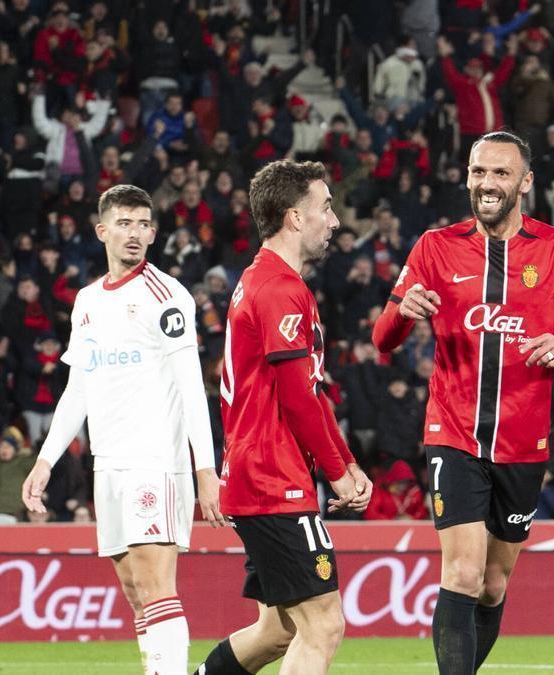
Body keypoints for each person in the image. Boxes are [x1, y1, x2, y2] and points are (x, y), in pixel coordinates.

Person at [372, 130, 554, 674]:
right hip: (452, 432)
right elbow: (382, 339)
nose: (486, 183)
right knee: (461, 574)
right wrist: (403, 312)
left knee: (493, 583)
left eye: (501, 173)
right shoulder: (435, 246)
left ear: (525, 182)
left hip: (524, 442)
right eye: (479, 172)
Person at [20, 185, 223, 675]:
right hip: (107, 464)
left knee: (156, 586)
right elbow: (78, 389)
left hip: (155, 461)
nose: (134, 234)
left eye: (143, 225)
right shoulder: (87, 301)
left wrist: (205, 468)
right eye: (124, 223)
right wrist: (45, 460)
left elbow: (192, 386)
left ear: (153, 234)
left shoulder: (166, 295)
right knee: (135, 591)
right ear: (102, 230)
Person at [193, 160, 371, 675]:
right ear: (295, 218)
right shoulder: (279, 290)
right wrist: (337, 474)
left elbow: (308, 394)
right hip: (274, 479)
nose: (334, 220)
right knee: (323, 625)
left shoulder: (263, 282)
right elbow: (297, 399)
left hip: (262, 472)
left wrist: (347, 462)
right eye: (326, 207)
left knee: (278, 630)